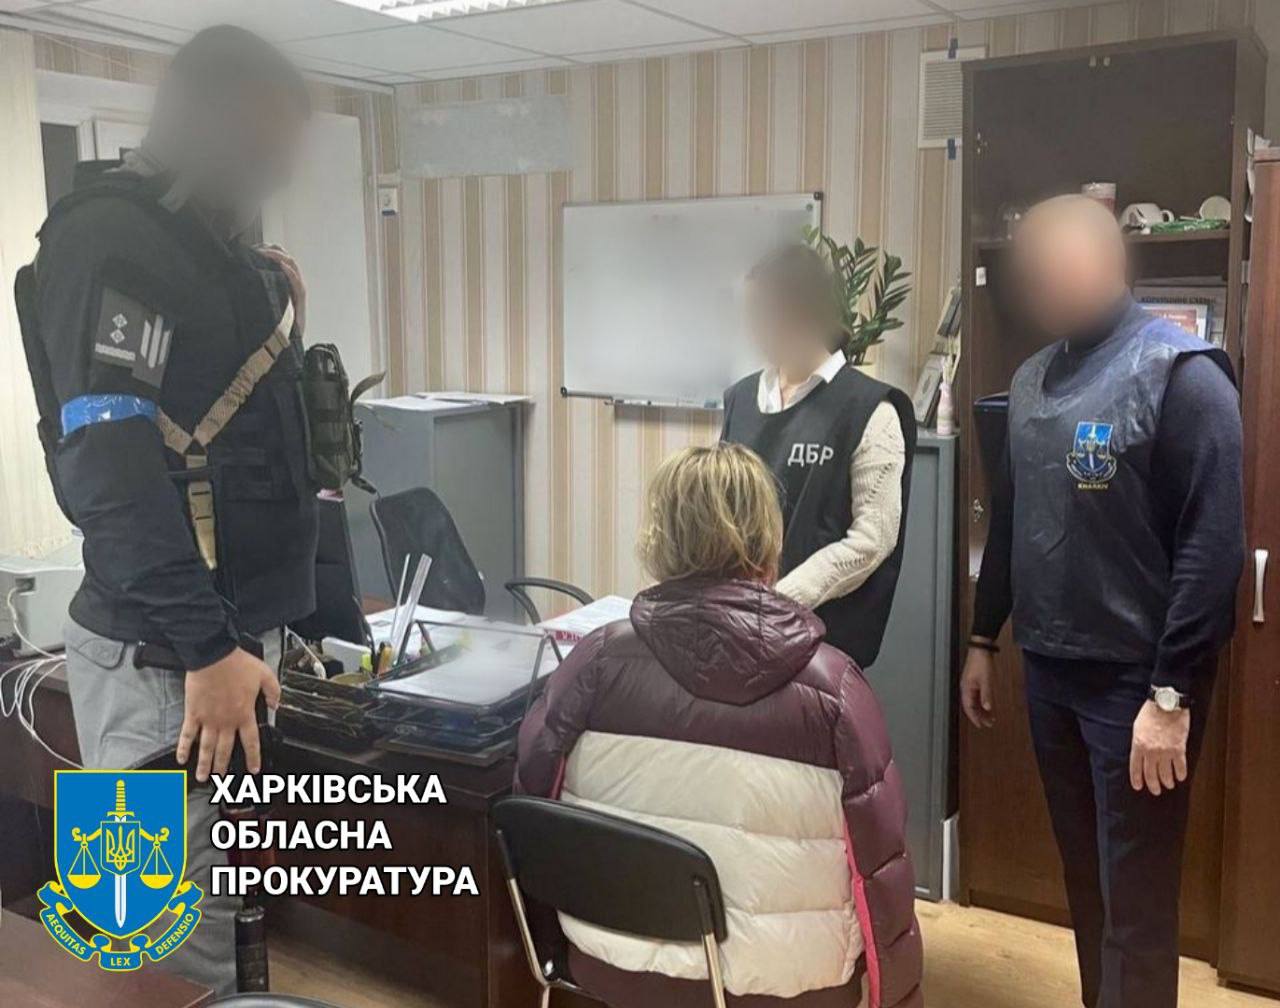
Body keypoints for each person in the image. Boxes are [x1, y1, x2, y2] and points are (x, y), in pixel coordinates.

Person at [16, 26, 317, 995]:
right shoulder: (114, 241)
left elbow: (237, 439)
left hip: (223, 642)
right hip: (166, 652)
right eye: (270, 139)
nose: (282, 164)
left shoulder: (208, 244)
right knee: (149, 938)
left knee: (222, 915)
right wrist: (205, 646)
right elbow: (109, 471)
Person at [960, 195, 1244, 1008]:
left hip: (1139, 688)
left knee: (1137, 900)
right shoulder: (1029, 380)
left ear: (1108, 259)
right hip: (1050, 671)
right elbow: (1012, 518)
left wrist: (1171, 694)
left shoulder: (1185, 374)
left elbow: (1213, 550)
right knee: (1085, 885)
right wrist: (984, 639)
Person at [516, 443, 923, 1008]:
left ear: (660, 541)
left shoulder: (595, 664)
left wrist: (547, 941)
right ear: (768, 545)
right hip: (786, 986)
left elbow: (531, 811)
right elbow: (880, 872)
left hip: (613, 962)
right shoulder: (835, 691)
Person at [720, 245, 915, 669]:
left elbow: (873, 540)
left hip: (822, 640)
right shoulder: (741, 399)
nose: (754, 330)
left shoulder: (869, 408)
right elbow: (721, 509)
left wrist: (779, 601)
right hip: (738, 630)